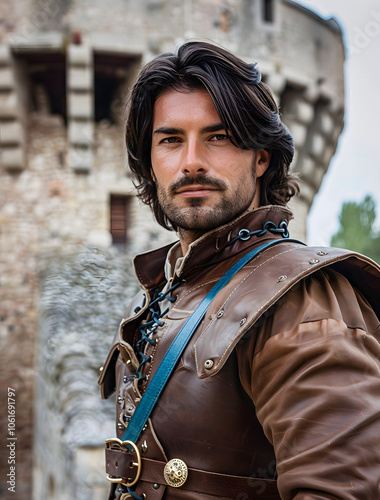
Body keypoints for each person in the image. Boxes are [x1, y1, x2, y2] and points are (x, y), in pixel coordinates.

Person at [99, 41, 380, 500]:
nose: (191, 161)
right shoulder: (165, 286)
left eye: (219, 136)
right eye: (170, 140)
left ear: (261, 156)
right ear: (150, 162)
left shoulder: (299, 299)